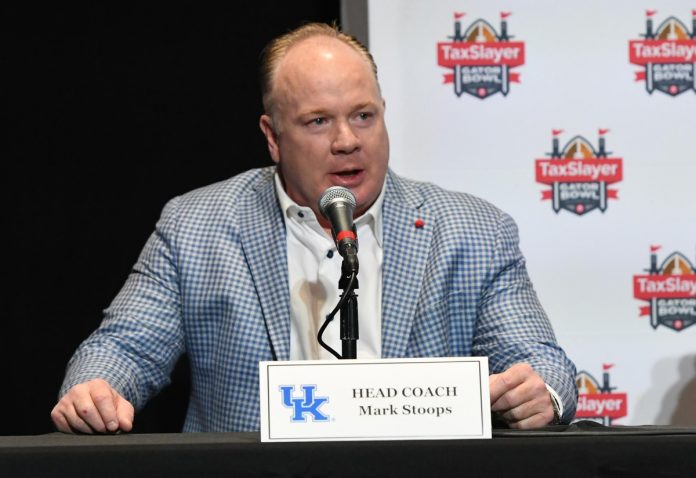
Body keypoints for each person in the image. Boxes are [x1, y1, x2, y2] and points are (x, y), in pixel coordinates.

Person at [51, 23, 577, 434]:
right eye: (319, 121)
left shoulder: (472, 231)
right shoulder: (198, 226)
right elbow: (123, 348)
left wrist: (541, 393)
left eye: (364, 116)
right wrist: (95, 389)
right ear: (273, 136)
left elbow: (542, 363)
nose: (347, 140)